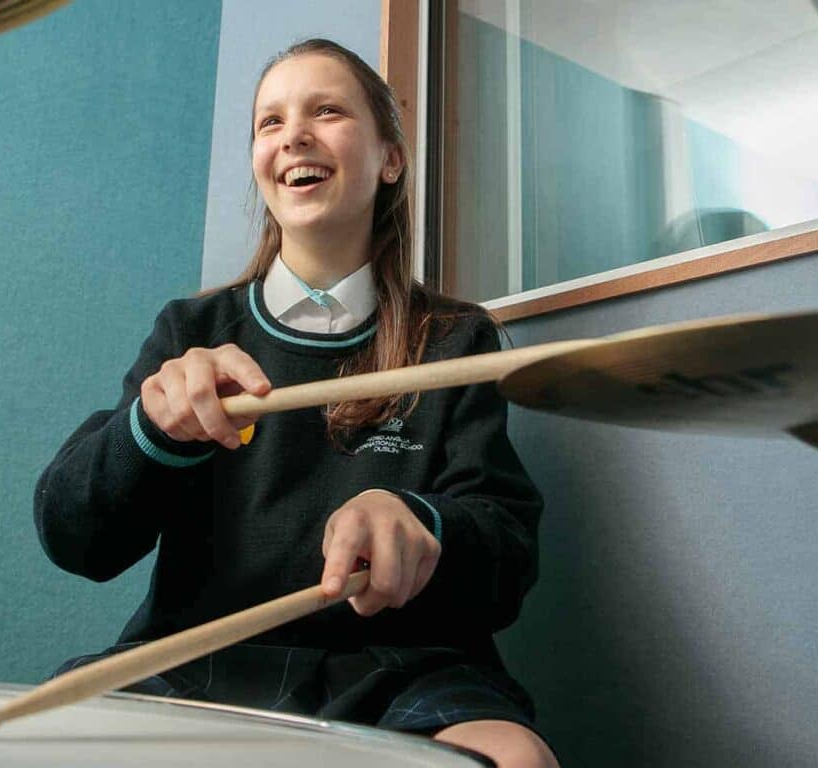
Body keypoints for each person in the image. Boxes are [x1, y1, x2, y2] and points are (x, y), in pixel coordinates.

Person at [33, 38, 557, 768]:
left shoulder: (457, 340)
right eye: (270, 122)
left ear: (390, 157)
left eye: (327, 111)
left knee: (514, 759)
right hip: (195, 662)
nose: (295, 136)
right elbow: (75, 541)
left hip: (402, 671)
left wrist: (421, 524)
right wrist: (149, 432)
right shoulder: (192, 332)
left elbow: (507, 560)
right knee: (48, 741)